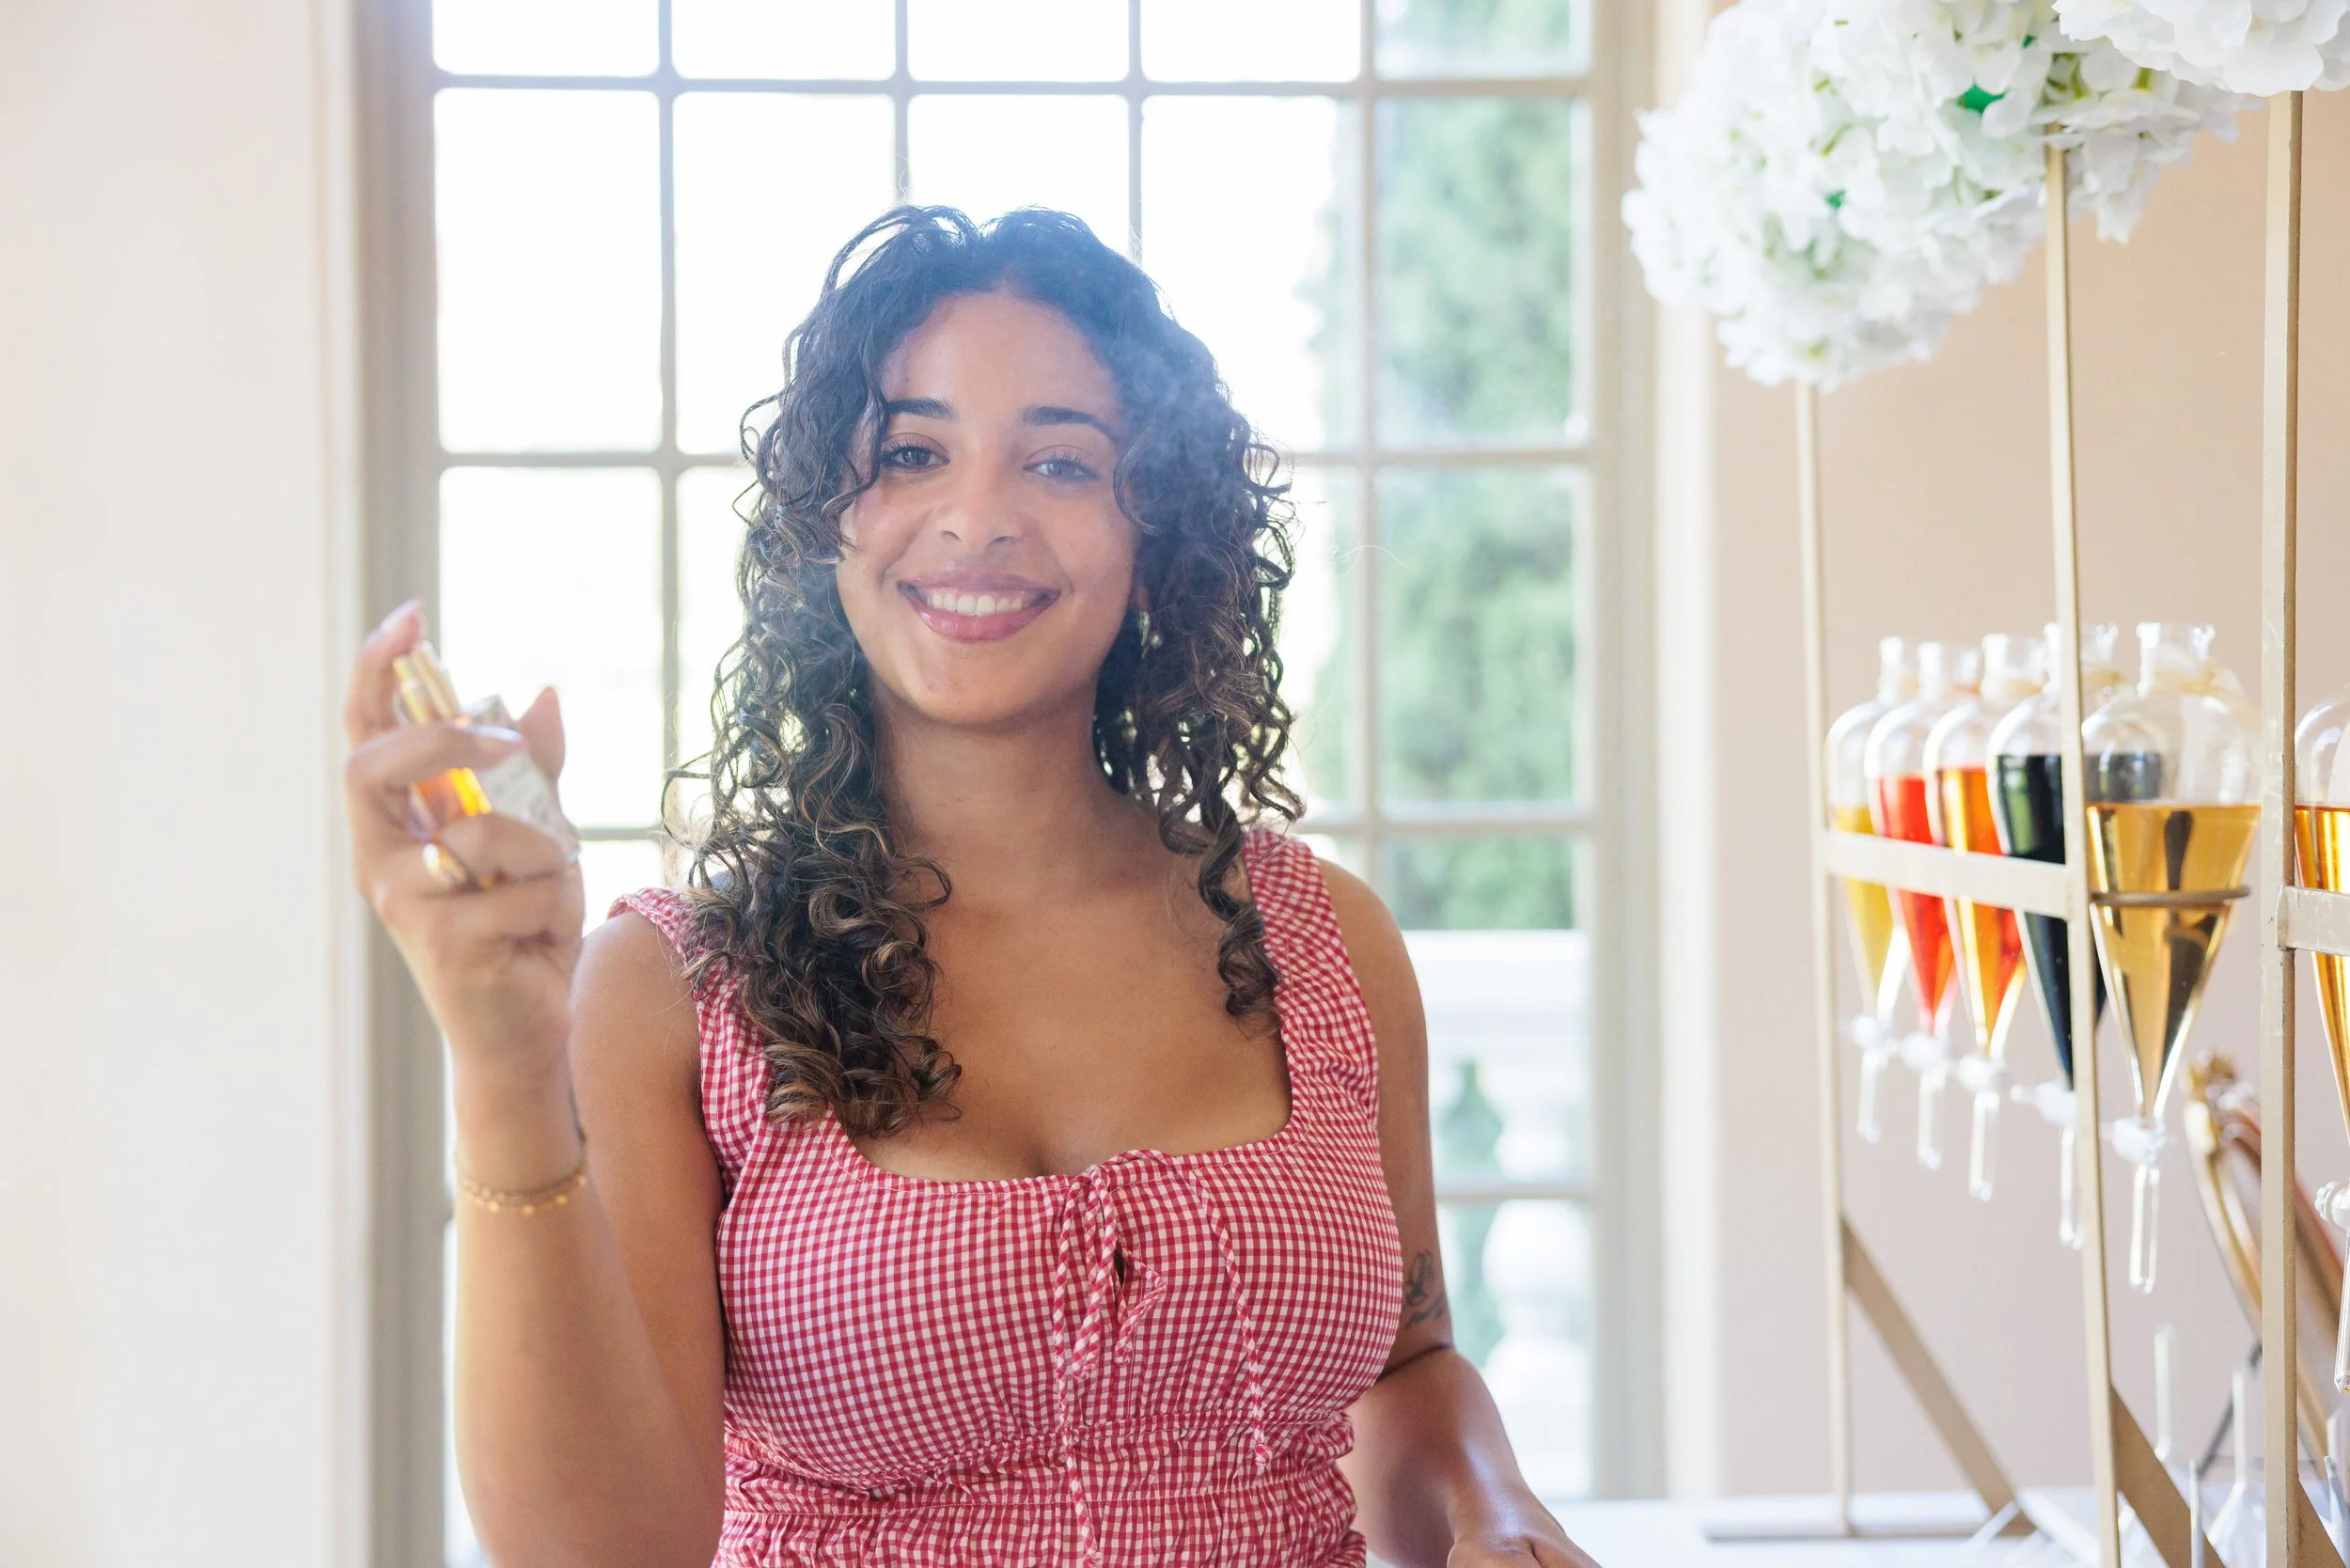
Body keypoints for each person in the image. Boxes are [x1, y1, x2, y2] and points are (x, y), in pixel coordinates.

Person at [344, 207, 1596, 1568]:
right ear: (830, 522)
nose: (979, 517)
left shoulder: (1319, 938)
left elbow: (1407, 1362)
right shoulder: (676, 990)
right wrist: (505, 1068)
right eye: (912, 452)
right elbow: (607, 1552)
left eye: (1062, 459)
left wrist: (1495, 1501)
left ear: (1154, 527)